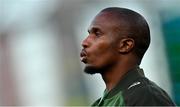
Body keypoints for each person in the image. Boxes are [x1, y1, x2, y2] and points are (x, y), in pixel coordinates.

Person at [80, 7, 176, 106]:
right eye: (89, 33)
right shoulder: (99, 104)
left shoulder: (145, 96)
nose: (84, 42)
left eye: (97, 34)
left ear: (125, 45)